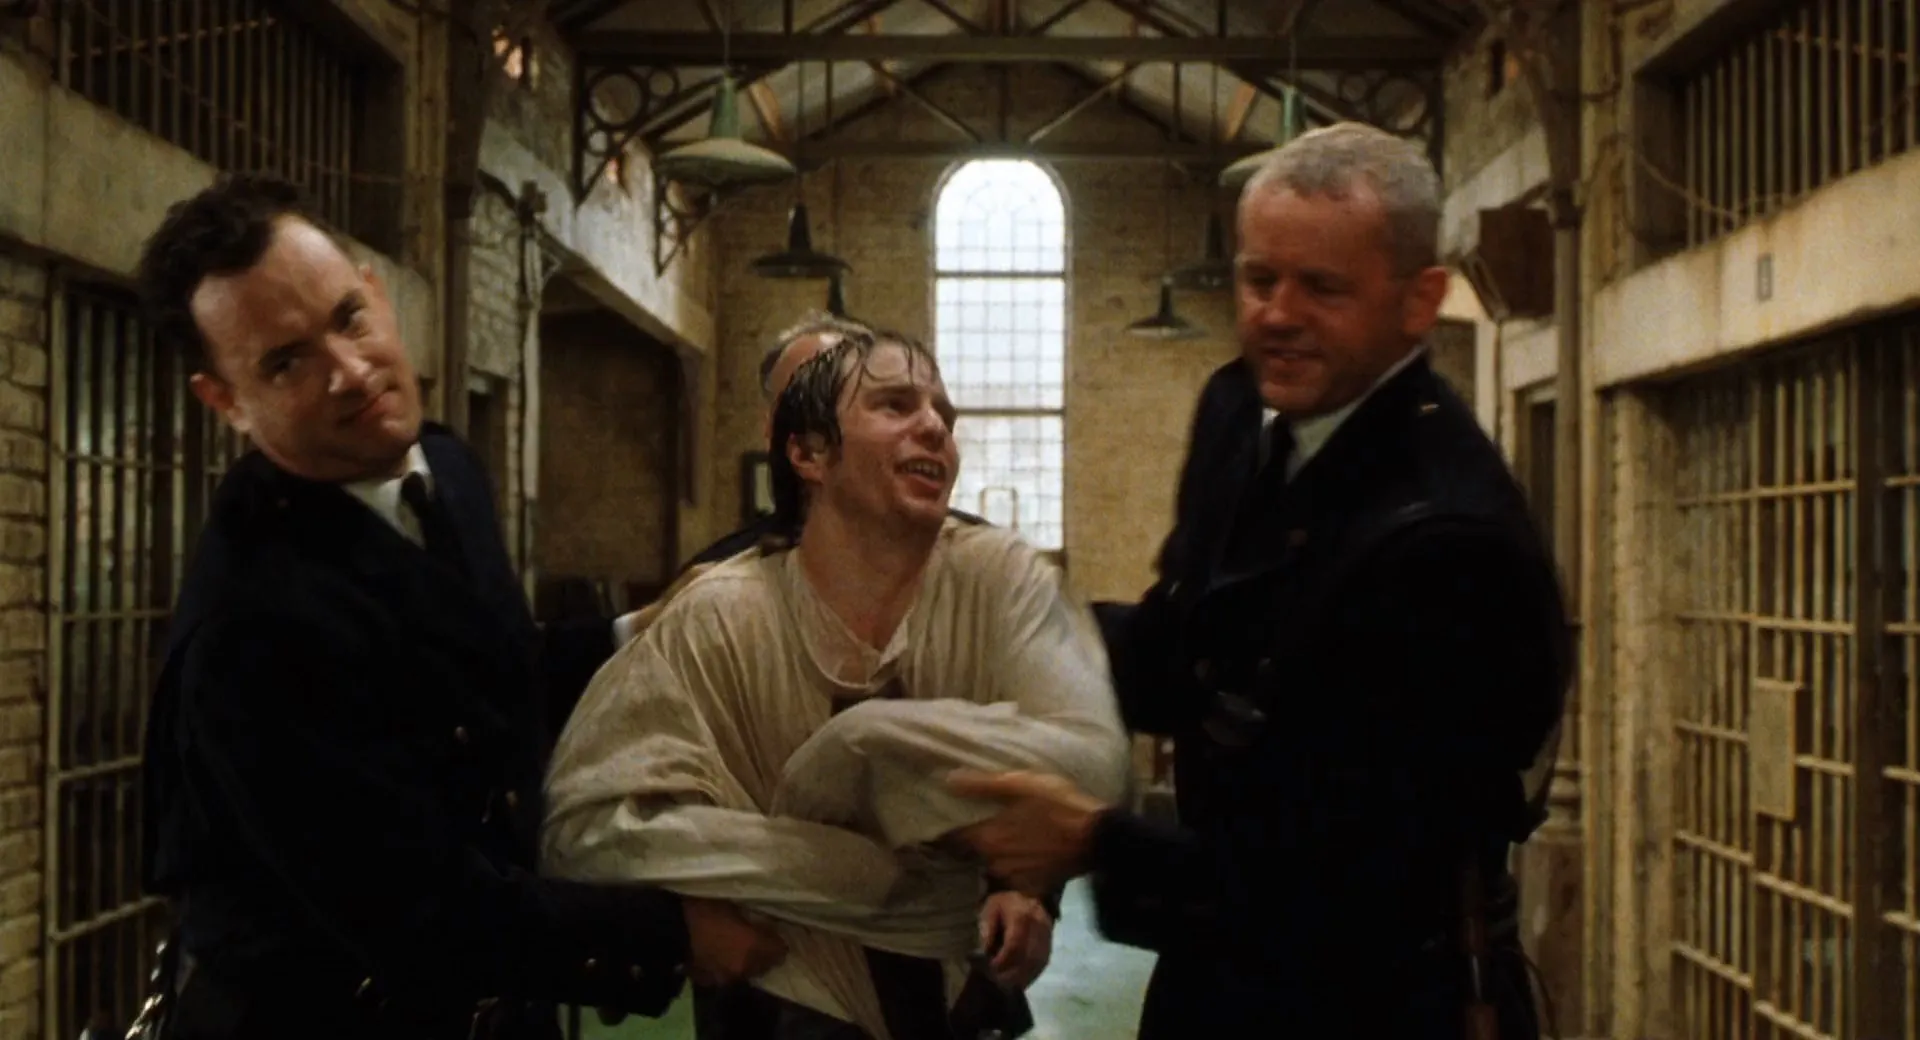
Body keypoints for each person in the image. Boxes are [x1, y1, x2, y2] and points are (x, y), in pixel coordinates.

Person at [948, 122, 1573, 1039]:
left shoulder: (1451, 542)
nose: (1278, 314)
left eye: (1322, 287)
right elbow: (1190, 648)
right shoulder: (1243, 412)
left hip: (1381, 1004)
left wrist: (1092, 839)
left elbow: (1355, 885)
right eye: (1259, 279)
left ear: (1419, 301)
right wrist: (1003, 637)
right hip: (1219, 987)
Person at [134, 173, 784, 1040]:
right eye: (286, 362)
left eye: (348, 318)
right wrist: (672, 936)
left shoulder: (441, 470)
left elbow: (482, 677)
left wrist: (646, 628)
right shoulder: (248, 629)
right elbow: (419, 909)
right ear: (226, 401)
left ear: (376, 291)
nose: (350, 372)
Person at [541, 331, 1131, 1040]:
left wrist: (861, 747)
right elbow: (588, 826)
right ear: (805, 451)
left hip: (966, 998)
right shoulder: (718, 611)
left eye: (942, 412)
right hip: (782, 1003)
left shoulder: (996, 581)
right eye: (894, 404)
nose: (935, 425)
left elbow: (1087, 767)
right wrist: (870, 878)